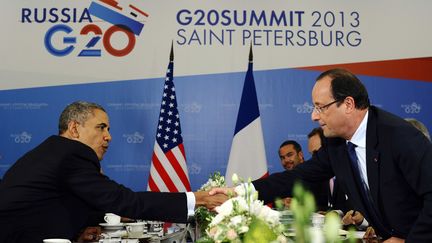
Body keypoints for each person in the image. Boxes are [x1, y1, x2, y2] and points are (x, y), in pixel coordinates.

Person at [211, 68, 432, 243]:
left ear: (348, 104)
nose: (314, 116)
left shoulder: (399, 136)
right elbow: (296, 178)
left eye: (320, 107)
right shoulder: (336, 145)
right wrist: (240, 192)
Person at [0, 101, 226, 243]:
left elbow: (53, 204)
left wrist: (80, 229)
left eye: (108, 129)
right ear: (74, 128)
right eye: (101, 128)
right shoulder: (71, 153)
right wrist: (196, 199)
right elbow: (122, 200)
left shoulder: (54, 151)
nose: (108, 136)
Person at [278, 140, 328, 210]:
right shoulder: (284, 181)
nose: (286, 160)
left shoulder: (316, 175)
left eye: (289, 155)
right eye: (282, 158)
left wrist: (299, 206)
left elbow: (325, 206)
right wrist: (282, 202)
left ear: (300, 155)